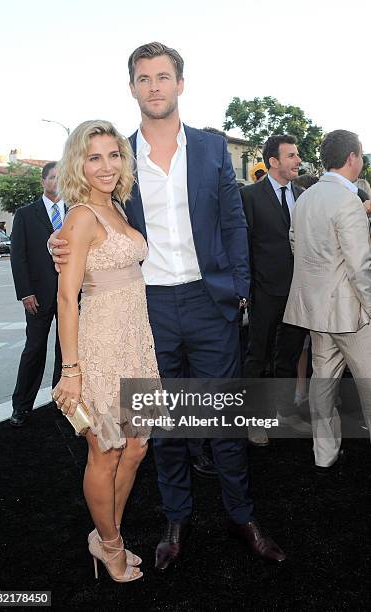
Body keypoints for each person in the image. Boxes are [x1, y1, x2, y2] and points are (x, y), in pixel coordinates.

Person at [50, 42, 286, 569]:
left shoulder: (208, 148)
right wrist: (58, 242)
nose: (154, 86)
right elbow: (90, 217)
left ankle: (241, 516)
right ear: (132, 88)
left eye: (163, 76)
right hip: (147, 312)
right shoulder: (119, 157)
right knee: (164, 431)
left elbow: (232, 222)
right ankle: (175, 521)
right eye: (143, 78)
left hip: (210, 303)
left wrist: (240, 288)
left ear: (180, 84)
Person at [53, 119, 170, 583]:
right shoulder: (82, 215)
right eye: (94, 156)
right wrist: (72, 369)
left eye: (114, 154)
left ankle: (107, 535)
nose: (106, 165)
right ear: (78, 163)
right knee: (104, 450)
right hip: (100, 347)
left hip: (136, 344)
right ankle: (110, 545)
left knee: (138, 446)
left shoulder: (117, 208)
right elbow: (67, 297)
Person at [284, 129, 371, 470]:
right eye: (361, 154)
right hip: (351, 314)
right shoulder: (347, 201)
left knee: (322, 383)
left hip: (316, 311)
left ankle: (324, 454)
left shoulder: (305, 197)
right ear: (352, 158)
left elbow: (295, 245)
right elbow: (360, 267)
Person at [240, 135, 310, 446]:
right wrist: (247, 290)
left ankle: (285, 413)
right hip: (264, 291)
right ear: (273, 162)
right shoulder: (250, 197)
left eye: (297, 155)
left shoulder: (303, 194)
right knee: (258, 357)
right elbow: (244, 247)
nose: (298, 161)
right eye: (292, 156)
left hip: (299, 291)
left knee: (290, 355)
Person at [10, 162, 64, 426]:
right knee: (34, 349)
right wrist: (25, 292)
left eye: (61, 177)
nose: (58, 182)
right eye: (53, 178)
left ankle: (62, 402)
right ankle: (21, 406)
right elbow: (18, 257)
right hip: (38, 295)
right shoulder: (25, 214)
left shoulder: (76, 211)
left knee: (66, 350)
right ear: (43, 181)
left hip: (71, 294)